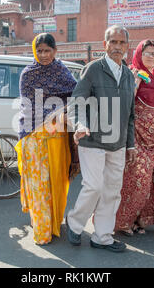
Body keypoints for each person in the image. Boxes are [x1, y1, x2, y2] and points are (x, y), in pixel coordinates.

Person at [65, 25, 136, 253]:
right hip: (92, 140)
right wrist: (80, 124)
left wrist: (130, 144)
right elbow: (77, 101)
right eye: (112, 42)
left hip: (118, 143)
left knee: (112, 191)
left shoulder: (127, 75)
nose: (117, 47)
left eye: (121, 43)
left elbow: (130, 114)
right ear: (104, 44)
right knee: (93, 187)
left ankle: (102, 236)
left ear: (127, 47)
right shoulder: (93, 69)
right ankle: (75, 223)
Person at [15, 33, 77, 246]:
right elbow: (30, 106)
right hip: (34, 136)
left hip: (57, 136)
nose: (43, 55)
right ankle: (42, 231)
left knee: (56, 182)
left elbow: (76, 94)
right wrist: (57, 114)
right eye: (39, 50)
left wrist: (63, 114)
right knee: (39, 185)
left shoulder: (62, 71)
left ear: (55, 51)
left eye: (47, 50)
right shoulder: (28, 74)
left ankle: (52, 222)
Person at [115, 39, 154, 237]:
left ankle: (140, 219)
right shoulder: (135, 73)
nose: (151, 56)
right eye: (147, 53)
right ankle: (123, 221)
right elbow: (127, 103)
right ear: (138, 54)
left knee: (151, 181)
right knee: (136, 181)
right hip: (138, 137)